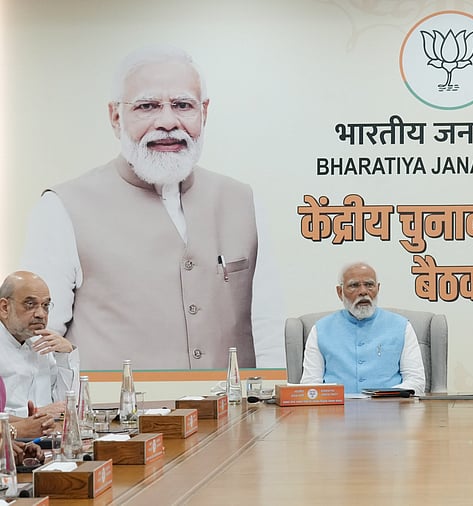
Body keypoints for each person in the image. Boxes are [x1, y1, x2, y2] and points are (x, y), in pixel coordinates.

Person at [20, 45, 284, 370]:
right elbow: (37, 338)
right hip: (115, 418)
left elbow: (268, 329)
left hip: (234, 415)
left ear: (204, 112)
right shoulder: (61, 208)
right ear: (116, 116)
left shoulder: (243, 201)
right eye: (148, 106)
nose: (168, 122)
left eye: (183, 105)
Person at [299, 262, 426, 395]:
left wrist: (386, 399)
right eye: (354, 285)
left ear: (378, 288)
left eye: (369, 285)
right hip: (336, 411)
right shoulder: (320, 330)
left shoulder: (402, 326)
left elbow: (416, 381)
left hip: (388, 411)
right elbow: (310, 384)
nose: (363, 292)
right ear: (339, 292)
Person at [0, 271, 78, 419]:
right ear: (5, 307)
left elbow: (67, 405)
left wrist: (65, 355)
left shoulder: (42, 341)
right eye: (30, 304)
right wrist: (38, 413)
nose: (41, 314)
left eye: (46, 305)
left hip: (47, 437)